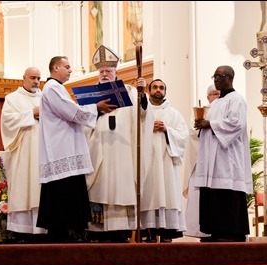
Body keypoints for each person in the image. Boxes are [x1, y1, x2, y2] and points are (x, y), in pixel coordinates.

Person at [36, 56, 116, 243]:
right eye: (67, 67)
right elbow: (70, 111)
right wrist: (96, 107)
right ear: (55, 67)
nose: (70, 70)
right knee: (65, 190)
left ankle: (67, 231)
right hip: (62, 149)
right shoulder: (53, 88)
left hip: (64, 147)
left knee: (67, 190)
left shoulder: (55, 88)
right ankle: (66, 232)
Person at [86, 45, 148, 243]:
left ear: (116, 73)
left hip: (122, 149)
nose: (105, 74)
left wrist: (142, 94)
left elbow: (143, 114)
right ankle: (97, 231)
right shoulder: (89, 95)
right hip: (98, 148)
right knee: (99, 186)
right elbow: (80, 121)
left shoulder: (129, 92)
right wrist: (95, 110)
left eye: (109, 71)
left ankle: (121, 232)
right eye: (102, 71)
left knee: (120, 186)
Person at [192, 65, 252, 242]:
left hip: (228, 157)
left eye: (219, 76)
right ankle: (214, 230)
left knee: (226, 191)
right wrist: (201, 124)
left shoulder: (237, 99)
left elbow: (236, 123)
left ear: (230, 78)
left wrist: (209, 124)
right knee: (212, 193)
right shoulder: (216, 103)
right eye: (214, 76)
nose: (216, 79)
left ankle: (231, 232)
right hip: (211, 157)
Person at [0, 67, 47, 243]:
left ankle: (42, 229)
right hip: (22, 151)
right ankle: (21, 230)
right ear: (23, 79)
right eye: (32, 78)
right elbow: (7, 121)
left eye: (38, 78)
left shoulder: (45, 97)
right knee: (23, 187)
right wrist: (31, 114)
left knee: (40, 188)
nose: (36, 81)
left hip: (43, 151)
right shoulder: (12, 98)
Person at [140, 79, 189, 243]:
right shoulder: (142, 111)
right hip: (148, 162)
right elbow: (133, 132)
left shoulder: (174, 114)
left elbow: (183, 137)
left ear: (165, 92)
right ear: (149, 90)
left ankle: (168, 232)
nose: (158, 90)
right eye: (155, 87)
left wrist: (167, 129)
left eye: (161, 87)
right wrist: (148, 128)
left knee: (167, 193)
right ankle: (149, 231)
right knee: (149, 193)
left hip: (167, 162)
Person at [183, 84, 220, 239]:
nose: (216, 96)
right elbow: (192, 133)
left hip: (219, 162)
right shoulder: (200, 111)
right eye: (212, 94)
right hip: (202, 163)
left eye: (218, 94)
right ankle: (201, 230)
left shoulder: (226, 110)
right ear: (207, 97)